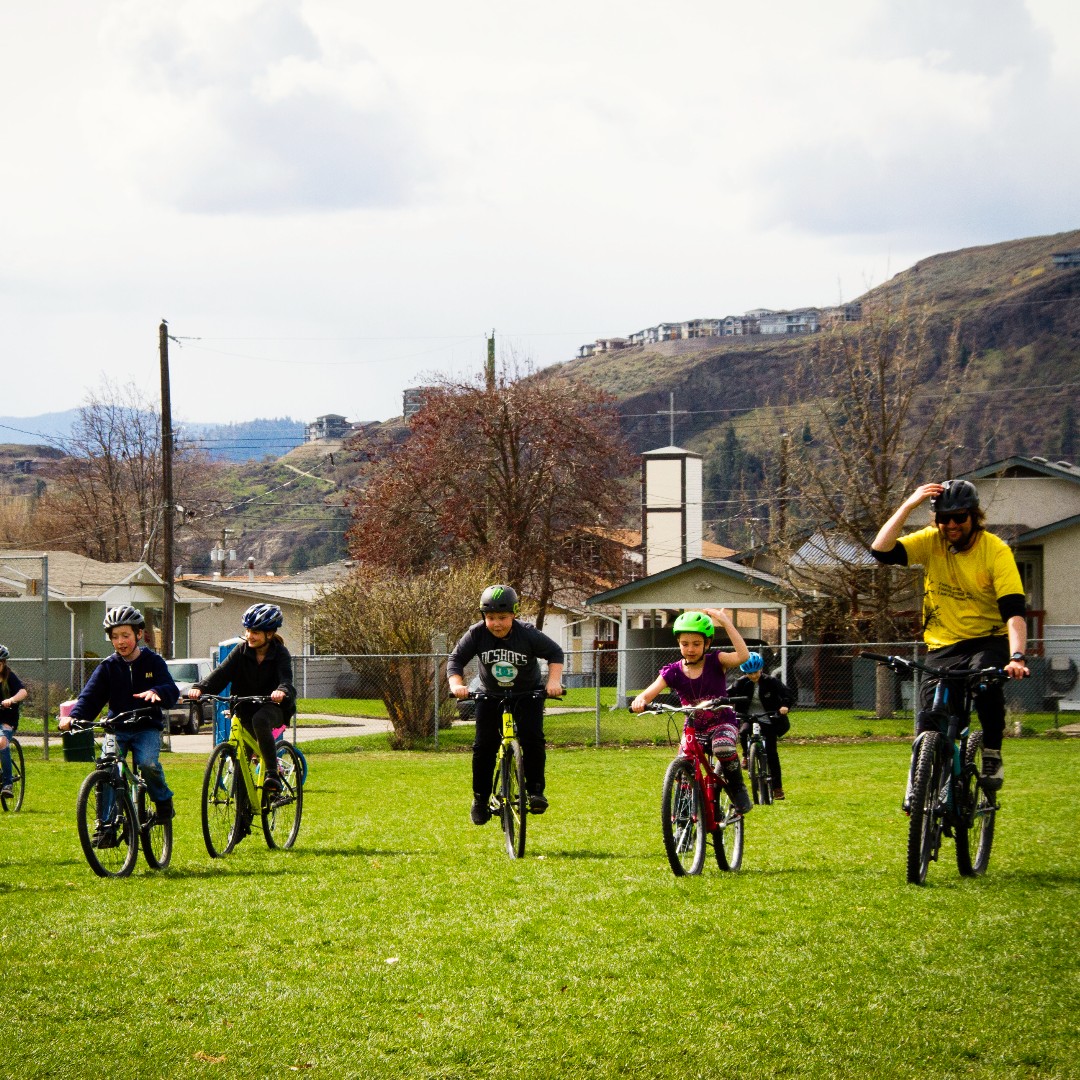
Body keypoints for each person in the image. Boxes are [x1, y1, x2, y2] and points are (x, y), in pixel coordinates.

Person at [871, 479, 1030, 792]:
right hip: (943, 644)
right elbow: (881, 550)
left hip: (988, 639)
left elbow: (1014, 612)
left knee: (984, 684)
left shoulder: (995, 551)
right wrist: (908, 505)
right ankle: (924, 787)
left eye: (960, 517)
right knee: (932, 715)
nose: (952, 524)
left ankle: (991, 751)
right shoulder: (932, 541)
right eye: (945, 518)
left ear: (974, 515)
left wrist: (1017, 657)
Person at [448, 585, 564, 824]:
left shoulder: (528, 634)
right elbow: (456, 659)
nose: (496, 623)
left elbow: (555, 653)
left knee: (533, 739)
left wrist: (553, 682)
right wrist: (456, 685)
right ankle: (480, 799)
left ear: (514, 615)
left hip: (527, 694)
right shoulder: (476, 634)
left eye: (502, 617)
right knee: (484, 746)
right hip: (490, 696)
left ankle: (535, 791)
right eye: (490, 618)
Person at [57, 606, 179, 821]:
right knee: (107, 769)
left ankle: (162, 800)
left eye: (125, 635)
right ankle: (106, 825)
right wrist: (73, 717)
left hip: (146, 727)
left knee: (147, 763)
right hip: (116, 729)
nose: (120, 641)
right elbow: (90, 697)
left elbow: (171, 689)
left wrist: (157, 691)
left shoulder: (153, 662)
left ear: (138, 634)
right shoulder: (108, 667)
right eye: (115, 637)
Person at [630, 608, 753, 815]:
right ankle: (683, 818)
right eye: (685, 644)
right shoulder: (673, 671)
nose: (690, 649)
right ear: (678, 644)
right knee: (683, 766)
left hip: (722, 723)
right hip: (694, 728)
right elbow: (649, 692)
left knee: (723, 747)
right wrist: (640, 700)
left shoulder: (717, 661)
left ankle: (738, 788)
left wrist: (726, 623)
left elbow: (743, 656)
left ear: (707, 643)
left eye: (696, 644)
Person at [188, 603, 296, 795]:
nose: (249, 635)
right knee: (240, 764)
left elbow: (285, 679)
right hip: (244, 708)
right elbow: (221, 674)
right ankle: (243, 814)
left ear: (269, 634)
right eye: (247, 630)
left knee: (260, 719)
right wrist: (200, 688)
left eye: (255, 632)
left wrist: (281, 691)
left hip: (274, 707)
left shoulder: (280, 653)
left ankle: (272, 774)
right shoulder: (240, 651)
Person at [730, 652, 795, 800]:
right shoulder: (740, 683)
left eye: (756, 672)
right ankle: (746, 755)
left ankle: (777, 788)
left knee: (772, 753)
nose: (753, 676)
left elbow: (787, 694)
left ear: (761, 669)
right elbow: (727, 694)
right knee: (743, 732)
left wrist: (785, 706)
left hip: (768, 718)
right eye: (749, 673)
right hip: (749, 717)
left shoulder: (771, 681)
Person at [0, 645, 29, 799]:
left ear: (3, 663)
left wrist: (11, 700)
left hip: (7, 719)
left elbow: (23, 692)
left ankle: (7, 783)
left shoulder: (9, 677)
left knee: (2, 741)